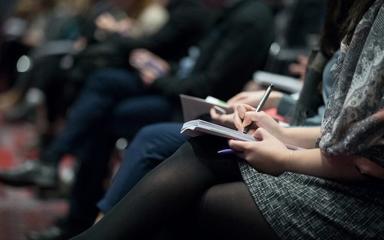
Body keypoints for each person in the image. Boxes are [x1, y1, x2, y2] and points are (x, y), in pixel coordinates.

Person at [72, 0, 384, 239]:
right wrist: (281, 131)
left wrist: (285, 153)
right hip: (328, 156)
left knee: (187, 186)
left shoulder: (252, 16)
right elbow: (341, 133)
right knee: (194, 145)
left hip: (363, 202)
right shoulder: (360, 13)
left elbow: (363, 158)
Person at [5, 1, 275, 239]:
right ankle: (77, 213)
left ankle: (84, 216)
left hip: (201, 108)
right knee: (101, 93)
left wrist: (159, 77)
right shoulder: (223, 11)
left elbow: (208, 84)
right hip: (182, 92)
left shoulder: (244, 18)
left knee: (123, 122)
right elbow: (189, 64)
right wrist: (162, 69)